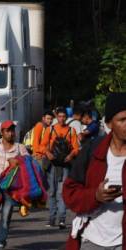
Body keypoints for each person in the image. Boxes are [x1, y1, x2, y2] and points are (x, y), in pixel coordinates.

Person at [63, 92, 126, 250]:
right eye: (122, 120)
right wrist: (95, 196)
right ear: (109, 123)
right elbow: (70, 194)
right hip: (92, 240)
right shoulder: (92, 150)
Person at [0, 120, 28, 250]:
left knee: (6, 215)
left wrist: (19, 161)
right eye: (8, 131)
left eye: (12, 130)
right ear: (2, 132)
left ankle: (0, 241)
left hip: (11, 188)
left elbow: (29, 163)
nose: (11, 133)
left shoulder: (20, 147)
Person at [40, 107, 79, 229]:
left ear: (66, 118)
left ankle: (62, 219)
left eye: (64, 117)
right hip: (52, 165)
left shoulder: (71, 131)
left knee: (62, 192)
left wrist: (71, 155)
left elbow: (76, 148)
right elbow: (42, 146)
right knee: (52, 192)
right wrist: (48, 153)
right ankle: (51, 219)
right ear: (57, 117)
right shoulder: (50, 130)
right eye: (60, 116)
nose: (61, 119)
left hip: (65, 165)